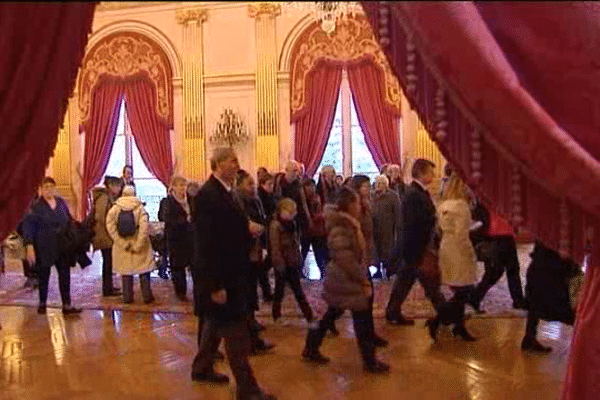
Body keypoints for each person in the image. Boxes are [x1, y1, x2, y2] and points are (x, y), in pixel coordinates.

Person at [191, 147, 276, 400]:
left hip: (232, 271)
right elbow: (205, 243)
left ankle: (202, 368)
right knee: (236, 333)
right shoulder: (207, 195)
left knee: (214, 324)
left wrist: (247, 228)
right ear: (216, 164)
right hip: (221, 276)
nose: (237, 165)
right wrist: (215, 286)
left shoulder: (226, 192)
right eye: (232, 161)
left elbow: (228, 225)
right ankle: (247, 390)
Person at [301, 187, 390, 374]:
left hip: (347, 279)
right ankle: (369, 361)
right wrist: (363, 279)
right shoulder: (340, 226)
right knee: (361, 320)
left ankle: (311, 346)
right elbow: (345, 259)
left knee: (332, 316)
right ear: (349, 205)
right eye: (357, 202)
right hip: (346, 280)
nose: (359, 205)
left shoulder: (349, 222)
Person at [385, 159, 446, 330]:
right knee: (430, 285)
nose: (434, 175)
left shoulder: (418, 192)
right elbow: (412, 225)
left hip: (416, 249)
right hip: (417, 248)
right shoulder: (414, 194)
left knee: (406, 282)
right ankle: (448, 314)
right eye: (431, 172)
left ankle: (393, 311)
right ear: (422, 173)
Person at [21, 177, 82, 315]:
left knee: (65, 275)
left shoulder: (61, 203)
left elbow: (68, 219)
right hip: (44, 247)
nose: (49, 189)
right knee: (44, 276)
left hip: (62, 246)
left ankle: (67, 305)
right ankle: (42, 303)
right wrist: (29, 246)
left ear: (55, 188)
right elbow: (28, 227)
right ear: (41, 190)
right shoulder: (35, 206)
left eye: (51, 187)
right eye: (46, 187)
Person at [234, 170, 276, 341]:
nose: (253, 187)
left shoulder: (255, 199)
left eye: (253, 183)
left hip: (256, 248)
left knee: (252, 288)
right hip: (245, 251)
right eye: (249, 184)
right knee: (246, 289)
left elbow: (261, 219)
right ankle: (247, 326)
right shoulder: (238, 201)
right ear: (240, 185)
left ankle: (251, 320)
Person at [437, 172, 478, 341]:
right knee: (464, 290)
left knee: (460, 289)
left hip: (446, 245)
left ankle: (459, 326)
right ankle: (440, 319)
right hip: (459, 250)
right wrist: (471, 253)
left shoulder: (443, 205)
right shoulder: (461, 206)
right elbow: (462, 235)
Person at [521, 242, 579, 352]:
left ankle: (529, 338)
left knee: (535, 305)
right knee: (568, 311)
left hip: (540, 267)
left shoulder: (545, 227)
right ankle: (585, 343)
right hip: (552, 271)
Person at [351, 175, 387, 347]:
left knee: (367, 298)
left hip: (364, 256)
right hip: (356, 259)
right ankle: (315, 338)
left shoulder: (366, 204)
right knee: (342, 306)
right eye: (365, 186)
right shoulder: (354, 207)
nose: (368, 188)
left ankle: (370, 335)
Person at [470, 205, 526, 311]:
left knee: (500, 271)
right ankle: (475, 297)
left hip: (500, 236)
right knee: (501, 271)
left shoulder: (486, 201)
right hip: (499, 236)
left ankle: (475, 297)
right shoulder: (493, 202)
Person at [105, 185, 155, 304]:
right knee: (144, 270)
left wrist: (121, 243)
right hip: (139, 244)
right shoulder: (140, 208)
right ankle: (147, 296)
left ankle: (127, 297)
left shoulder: (115, 208)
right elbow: (144, 229)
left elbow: (110, 227)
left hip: (122, 247)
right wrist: (138, 245)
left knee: (126, 273)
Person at [270, 198, 314, 322]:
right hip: (283, 263)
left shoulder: (292, 224)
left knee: (298, 290)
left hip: (292, 261)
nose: (291, 215)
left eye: (293, 213)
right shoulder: (276, 225)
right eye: (289, 213)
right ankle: (276, 314)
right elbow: (275, 247)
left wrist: (298, 258)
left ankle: (308, 315)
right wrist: (280, 265)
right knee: (279, 290)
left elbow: (295, 242)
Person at [163, 176, 195, 301]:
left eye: (184, 186)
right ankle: (181, 292)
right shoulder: (168, 202)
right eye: (180, 186)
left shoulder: (191, 200)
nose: (183, 189)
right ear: (174, 187)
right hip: (176, 240)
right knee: (178, 267)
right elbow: (168, 220)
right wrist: (185, 221)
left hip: (191, 238)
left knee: (194, 265)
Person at [91, 176, 124, 297]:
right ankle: (107, 289)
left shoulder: (106, 197)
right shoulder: (103, 198)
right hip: (104, 235)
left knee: (109, 262)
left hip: (105, 234)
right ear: (110, 186)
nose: (119, 189)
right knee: (107, 262)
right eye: (118, 186)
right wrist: (110, 230)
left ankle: (108, 287)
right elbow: (100, 217)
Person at [371, 175, 401, 281]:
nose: (378, 185)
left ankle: (388, 270)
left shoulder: (392, 196)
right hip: (375, 227)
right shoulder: (372, 195)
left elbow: (397, 212)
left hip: (388, 227)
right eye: (377, 183)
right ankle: (378, 270)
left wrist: (398, 228)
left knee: (388, 249)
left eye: (381, 183)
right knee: (376, 250)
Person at [301, 178, 329, 279]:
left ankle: (323, 272)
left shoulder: (317, 196)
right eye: (309, 186)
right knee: (304, 252)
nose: (311, 188)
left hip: (318, 230)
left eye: (312, 186)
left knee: (319, 253)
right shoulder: (303, 199)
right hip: (307, 230)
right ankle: (301, 272)